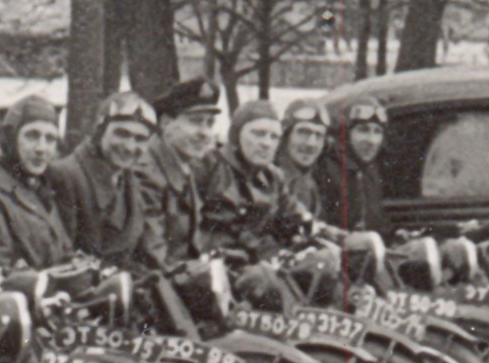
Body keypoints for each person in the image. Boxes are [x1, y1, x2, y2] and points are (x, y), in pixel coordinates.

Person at [48, 90, 169, 272]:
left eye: (140, 139)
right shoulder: (67, 175)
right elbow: (62, 254)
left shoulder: (129, 179)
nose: (129, 147)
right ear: (100, 130)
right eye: (121, 134)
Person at [0, 93, 76, 272]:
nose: (41, 148)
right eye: (32, 136)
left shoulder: (40, 187)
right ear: (11, 138)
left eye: (50, 139)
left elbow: (64, 252)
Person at [200, 97, 304, 259]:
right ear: (236, 135)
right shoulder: (209, 167)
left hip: (259, 260)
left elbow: (298, 217)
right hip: (221, 262)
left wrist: (340, 239)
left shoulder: (273, 177)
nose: (266, 143)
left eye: (274, 137)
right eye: (258, 134)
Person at [136, 78, 224, 263]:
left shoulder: (183, 166)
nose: (205, 133)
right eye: (195, 121)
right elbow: (154, 257)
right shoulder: (145, 173)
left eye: (210, 123)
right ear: (166, 123)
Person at [324, 100, 391, 232]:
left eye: (377, 132)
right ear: (347, 134)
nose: (371, 140)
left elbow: (374, 222)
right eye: (363, 130)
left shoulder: (370, 171)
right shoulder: (328, 169)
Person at [275, 100, 331, 222]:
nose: (311, 143)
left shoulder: (313, 178)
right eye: (303, 132)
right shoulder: (271, 179)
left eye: (319, 135)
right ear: (286, 134)